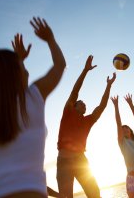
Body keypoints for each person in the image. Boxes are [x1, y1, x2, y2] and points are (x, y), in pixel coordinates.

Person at [0, 17, 66, 198]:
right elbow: (60, 65)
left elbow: (10, 92)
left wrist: (17, 60)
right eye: (19, 66)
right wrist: (50, 39)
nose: (25, 69)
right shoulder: (34, 96)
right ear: (14, 74)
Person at [56, 55, 116, 198]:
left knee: (95, 193)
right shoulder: (68, 112)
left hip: (80, 160)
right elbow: (75, 91)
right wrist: (85, 71)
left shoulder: (88, 121)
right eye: (81, 103)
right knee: (65, 197)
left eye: (85, 104)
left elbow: (101, 106)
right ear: (74, 106)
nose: (84, 104)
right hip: (64, 161)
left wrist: (108, 85)